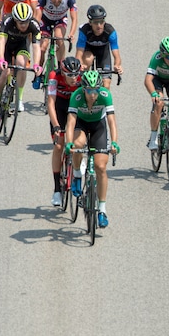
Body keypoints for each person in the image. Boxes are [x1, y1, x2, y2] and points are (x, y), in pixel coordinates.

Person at [64, 70, 120, 228]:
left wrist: (114, 142)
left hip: (98, 126)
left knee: (101, 167)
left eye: (95, 90)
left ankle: (102, 210)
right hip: (81, 124)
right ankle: (76, 175)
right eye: (89, 91)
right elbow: (71, 122)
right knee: (78, 145)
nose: (93, 94)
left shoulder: (105, 95)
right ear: (84, 89)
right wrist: (69, 142)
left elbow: (111, 121)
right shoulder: (77, 96)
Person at [0, 2, 43, 122]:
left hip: (21, 45)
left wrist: (37, 64)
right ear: (15, 20)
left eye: (26, 22)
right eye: (20, 22)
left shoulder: (34, 25)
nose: (23, 25)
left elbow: (36, 46)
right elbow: (1, 41)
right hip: (6, 46)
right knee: (4, 73)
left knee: (21, 65)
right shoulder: (7, 21)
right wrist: (1, 59)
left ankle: (19, 99)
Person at [47, 57, 81, 206]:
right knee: (59, 146)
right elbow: (51, 102)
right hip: (60, 107)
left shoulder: (81, 78)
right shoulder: (54, 76)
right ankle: (56, 190)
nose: (74, 78)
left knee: (78, 140)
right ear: (63, 73)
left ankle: (78, 167)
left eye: (76, 75)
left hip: (76, 106)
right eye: (70, 75)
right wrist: (55, 125)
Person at [33, 0, 78, 89]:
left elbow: (74, 18)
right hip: (46, 20)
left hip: (60, 20)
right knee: (43, 46)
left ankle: (60, 67)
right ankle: (38, 73)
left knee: (59, 38)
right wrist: (36, 30)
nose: (56, 0)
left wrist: (71, 34)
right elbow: (37, 17)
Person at [75, 5, 123, 89]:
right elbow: (79, 54)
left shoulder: (110, 31)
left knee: (106, 85)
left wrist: (117, 65)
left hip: (103, 53)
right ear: (90, 22)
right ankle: (83, 84)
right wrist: (80, 65)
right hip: (88, 51)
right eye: (95, 22)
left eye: (101, 22)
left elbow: (117, 55)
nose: (99, 25)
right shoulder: (84, 31)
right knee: (87, 59)